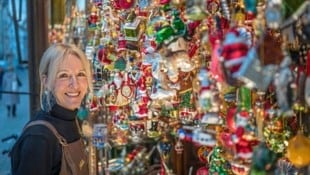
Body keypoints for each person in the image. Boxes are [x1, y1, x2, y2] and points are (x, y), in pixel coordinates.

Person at [10, 43, 93, 175]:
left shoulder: (74, 120)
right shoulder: (38, 138)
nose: (75, 84)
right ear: (46, 82)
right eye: (64, 75)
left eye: (81, 74)